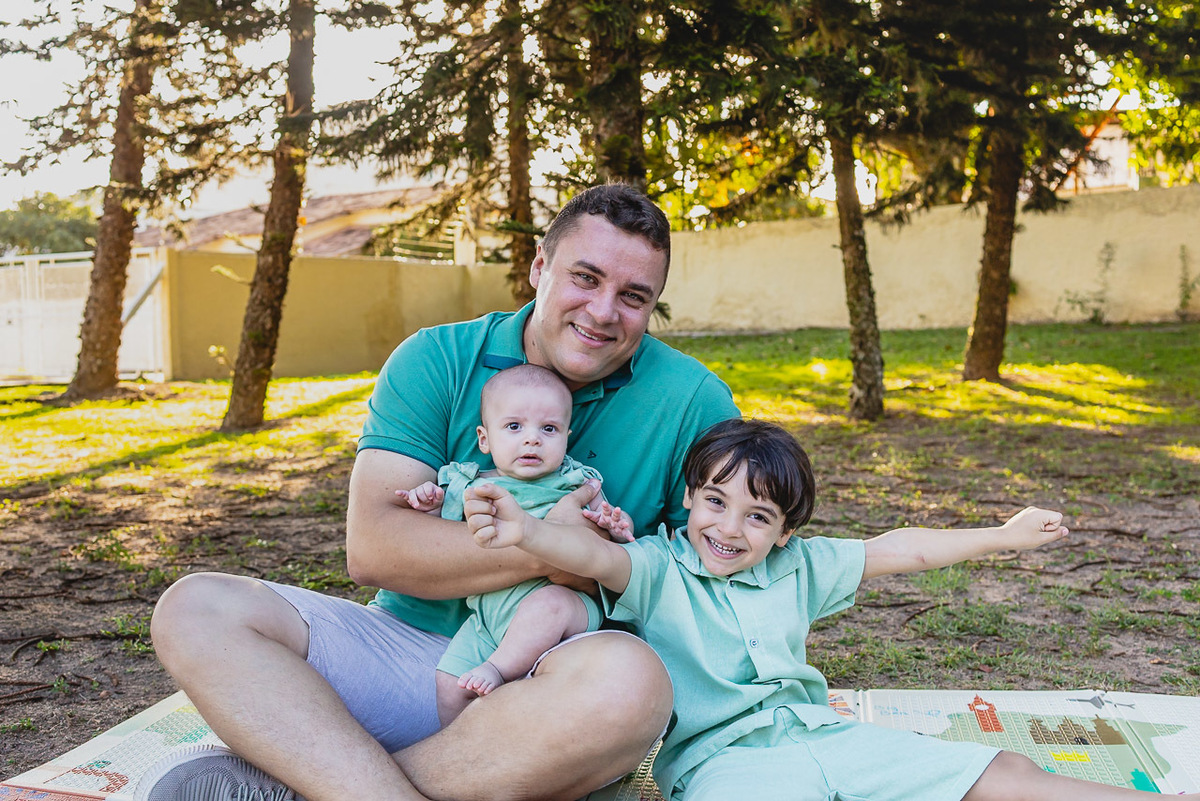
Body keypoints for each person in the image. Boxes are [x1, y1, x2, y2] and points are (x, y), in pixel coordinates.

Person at [137, 183, 739, 801]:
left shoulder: (696, 403)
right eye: (585, 277)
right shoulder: (436, 358)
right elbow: (375, 549)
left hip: (563, 681)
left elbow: (716, 587)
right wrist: (558, 547)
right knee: (196, 608)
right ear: (539, 267)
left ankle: (320, 779)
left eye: (633, 296)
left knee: (630, 683)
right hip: (409, 660)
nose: (604, 311)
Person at [462, 418, 1199, 801]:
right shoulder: (657, 567)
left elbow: (901, 549)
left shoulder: (801, 566)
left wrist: (1003, 536)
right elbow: (593, 558)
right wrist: (525, 529)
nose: (728, 528)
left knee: (994, 769)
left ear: (785, 531)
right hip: (728, 765)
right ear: (688, 496)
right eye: (715, 501)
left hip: (824, 732)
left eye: (758, 517)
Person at [395, 363, 633, 724]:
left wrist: (616, 525)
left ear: (567, 436)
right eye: (514, 427)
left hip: (567, 606)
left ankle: (498, 668)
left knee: (549, 604)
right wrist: (429, 505)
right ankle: (457, 749)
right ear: (484, 439)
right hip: (490, 616)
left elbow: (613, 536)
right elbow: (437, 544)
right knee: (448, 683)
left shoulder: (575, 482)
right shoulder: (468, 486)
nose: (532, 439)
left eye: (548, 428)